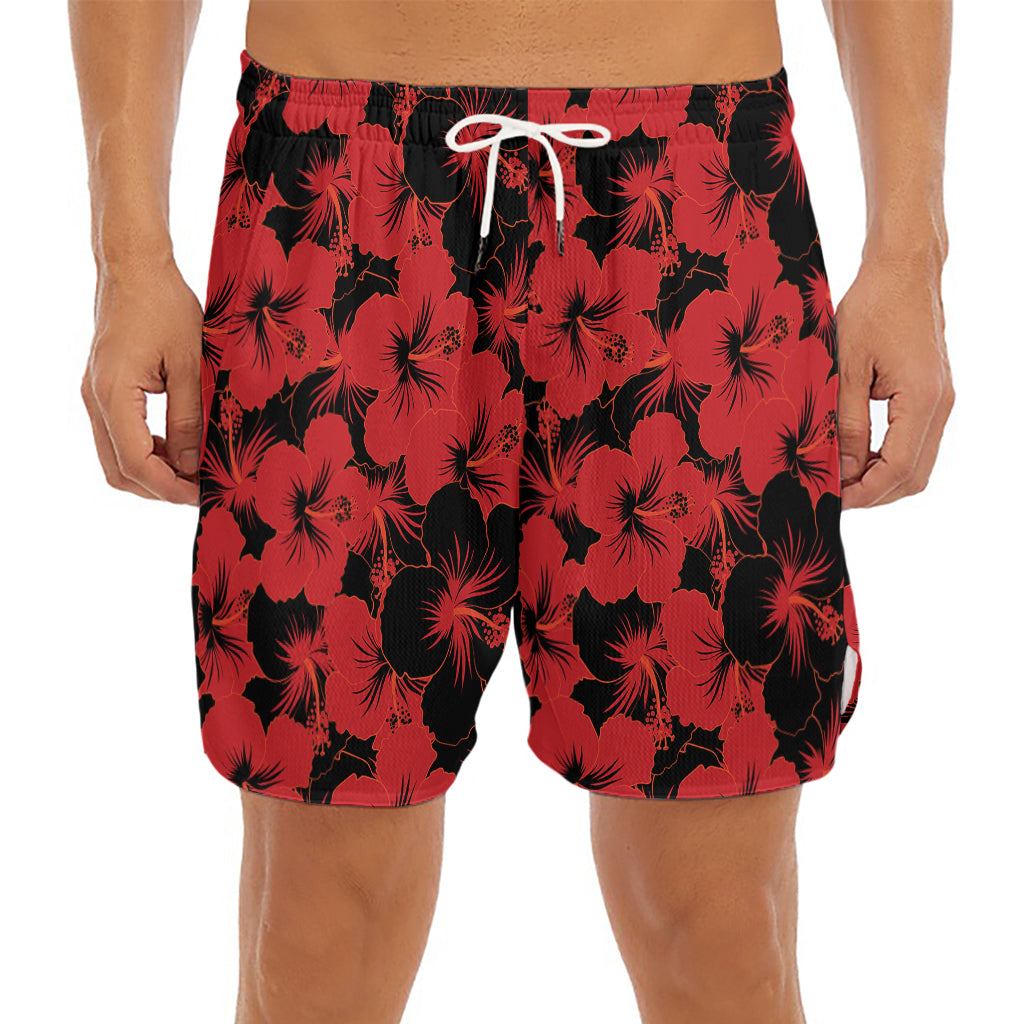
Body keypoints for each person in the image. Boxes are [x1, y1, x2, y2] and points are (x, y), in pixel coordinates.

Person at [69, 1, 954, 1021]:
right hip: (338, 188)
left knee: (722, 931)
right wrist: (128, 257)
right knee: (316, 931)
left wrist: (909, 252)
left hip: (697, 183)